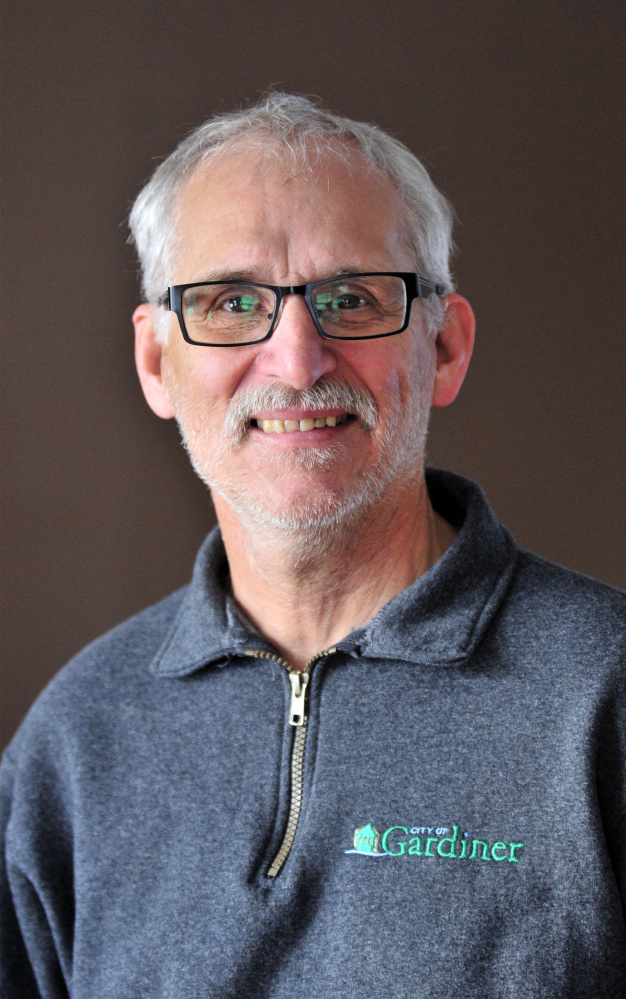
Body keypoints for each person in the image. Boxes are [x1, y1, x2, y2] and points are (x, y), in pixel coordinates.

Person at [1, 93, 625, 999]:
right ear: (155, 363)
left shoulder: (606, 694)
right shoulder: (77, 739)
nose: (297, 360)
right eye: (230, 300)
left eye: (353, 298)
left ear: (444, 347)